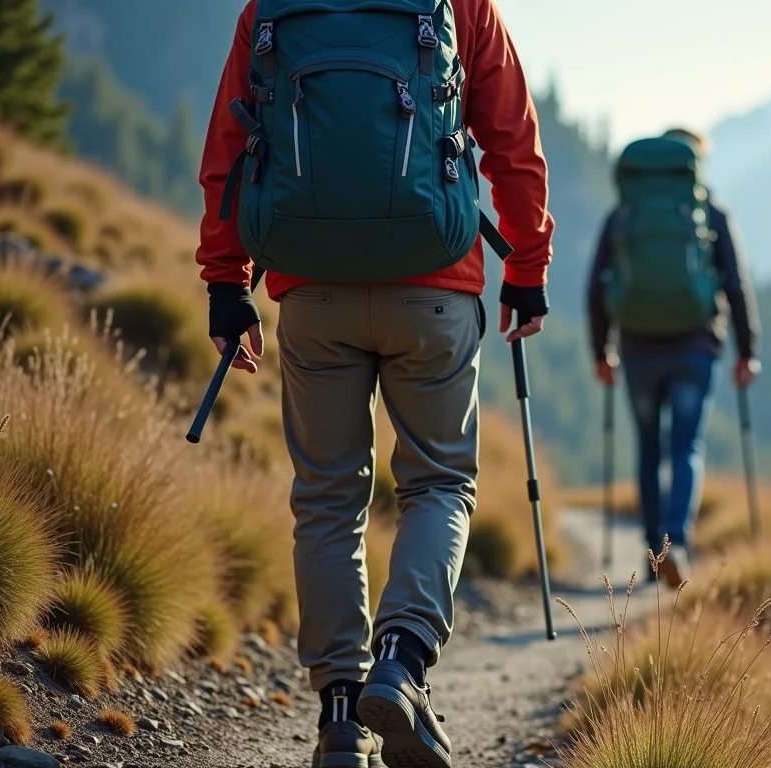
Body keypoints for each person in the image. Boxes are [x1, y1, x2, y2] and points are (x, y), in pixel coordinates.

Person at [195, 1, 553, 765]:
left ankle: (338, 719)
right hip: (435, 287)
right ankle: (402, 660)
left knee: (327, 498)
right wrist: (527, 266)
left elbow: (232, 141)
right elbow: (511, 139)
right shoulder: (460, 4)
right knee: (439, 485)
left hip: (312, 290)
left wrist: (228, 282)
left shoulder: (271, 7)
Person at [586, 127, 760, 588]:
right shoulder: (710, 212)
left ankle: (651, 555)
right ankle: (675, 543)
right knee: (686, 448)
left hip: (639, 349)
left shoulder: (624, 213)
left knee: (648, 450)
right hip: (695, 348)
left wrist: (601, 350)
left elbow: (595, 286)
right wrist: (749, 351)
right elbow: (737, 286)